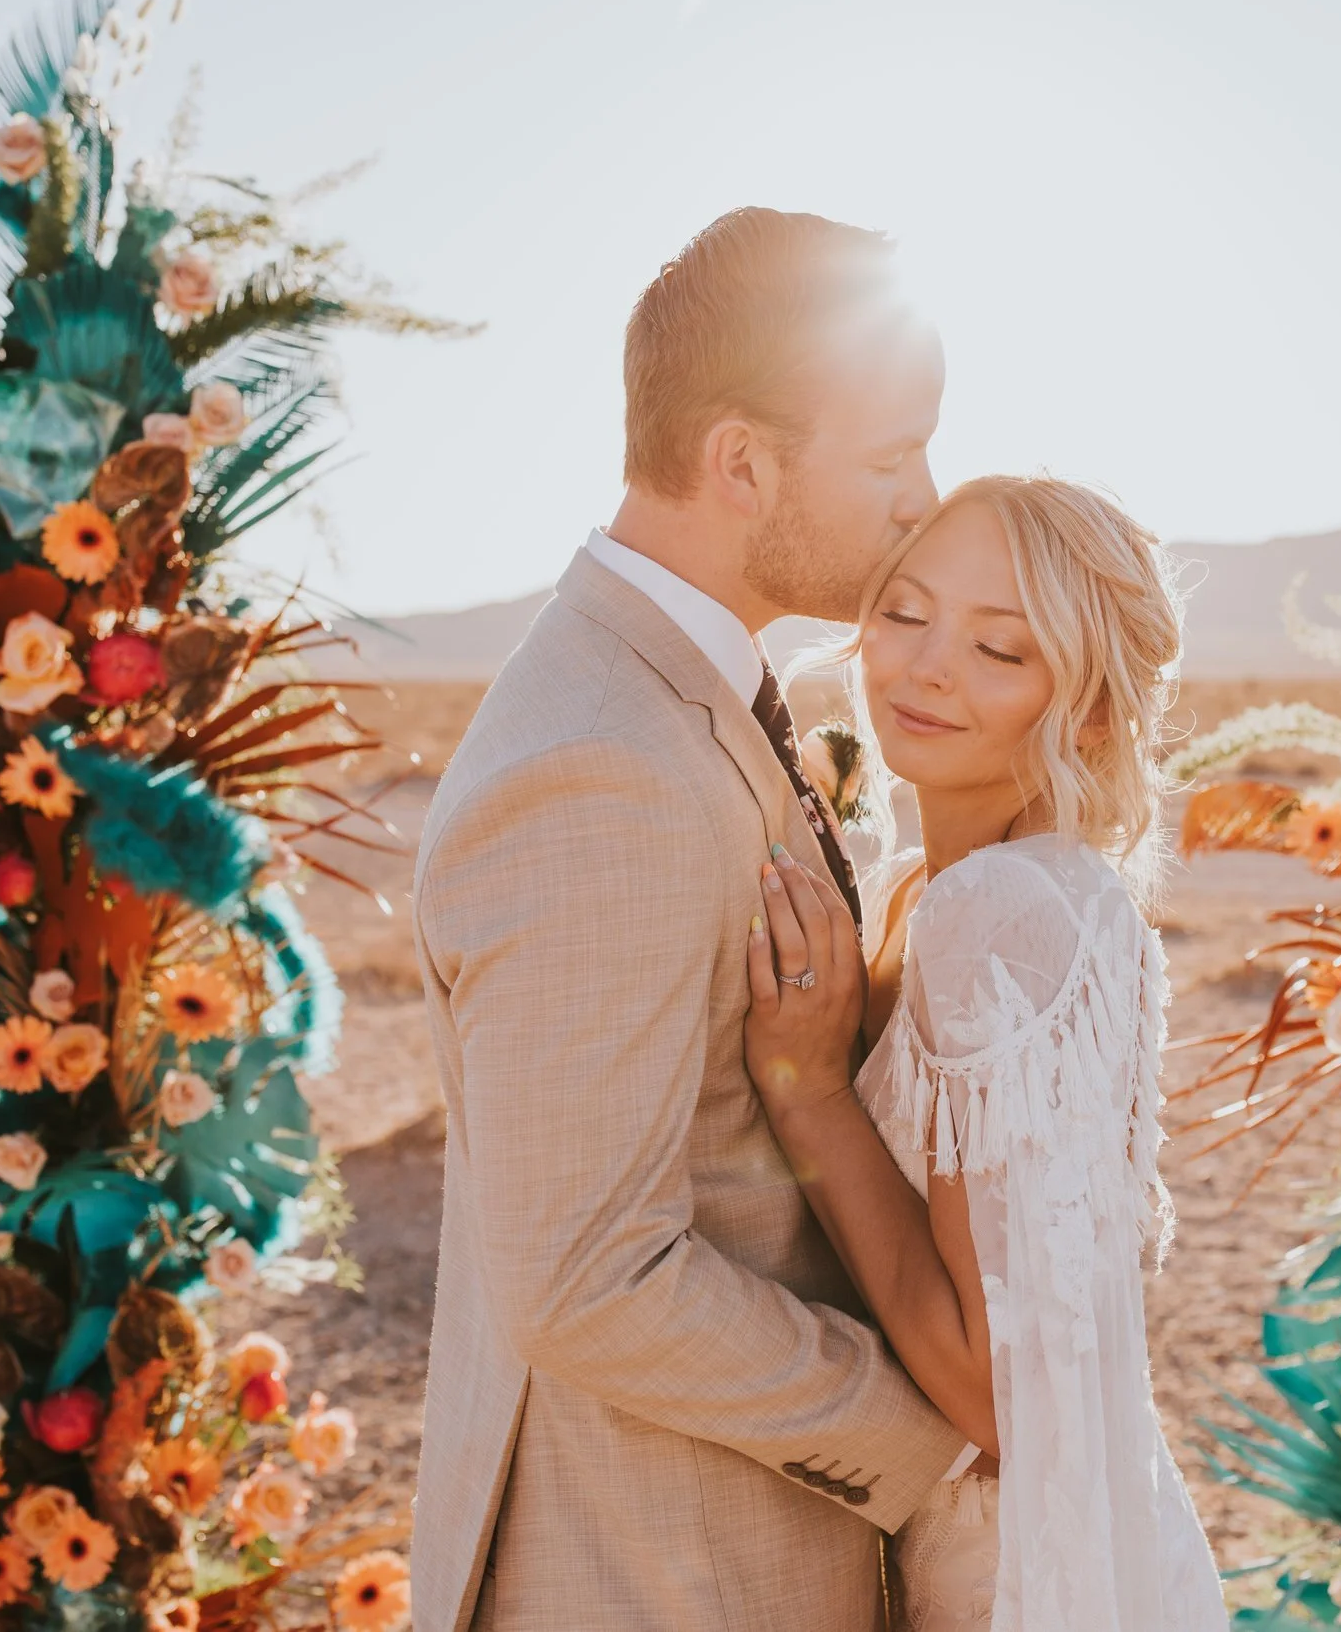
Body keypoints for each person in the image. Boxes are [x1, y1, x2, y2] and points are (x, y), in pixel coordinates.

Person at [405, 208, 977, 1631]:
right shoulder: (601, 765)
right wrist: (924, 1432)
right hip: (654, 1569)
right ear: (740, 461)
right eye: (892, 453)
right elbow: (588, 1273)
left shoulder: (678, 694)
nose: (926, 495)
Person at [742, 475, 1232, 1630]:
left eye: (999, 648)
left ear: (1094, 711)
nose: (925, 668)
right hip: (1100, 1521)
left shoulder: (996, 913)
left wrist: (811, 1093)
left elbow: (991, 1388)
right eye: (904, 614)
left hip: (1024, 1577)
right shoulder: (962, 888)